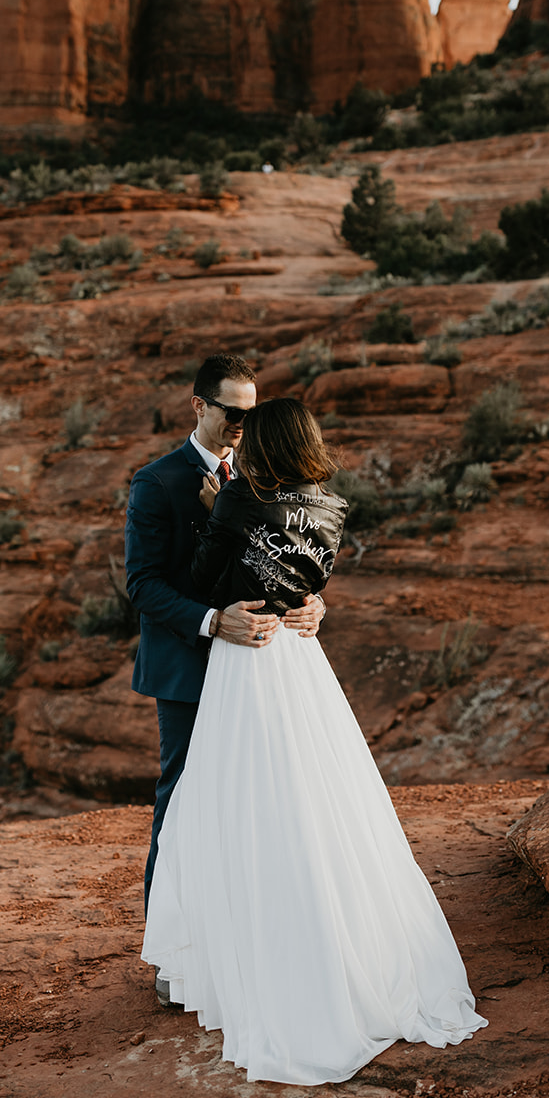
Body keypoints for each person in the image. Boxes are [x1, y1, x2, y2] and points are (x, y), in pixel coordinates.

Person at [141, 397, 487, 1085]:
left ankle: (246, 953)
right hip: (299, 659)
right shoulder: (331, 506)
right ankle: (343, 945)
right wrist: (304, 595)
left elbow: (205, 580)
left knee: (233, 801)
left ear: (265, 443)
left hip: (247, 660)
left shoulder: (238, 503)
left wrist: (219, 512)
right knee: (320, 796)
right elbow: (311, 582)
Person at [124, 354, 325, 984]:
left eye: (252, 413)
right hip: (191, 667)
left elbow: (292, 555)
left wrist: (314, 602)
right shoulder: (157, 483)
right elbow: (144, 585)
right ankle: (175, 959)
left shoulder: (266, 479)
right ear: (199, 407)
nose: (243, 423)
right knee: (184, 804)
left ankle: (251, 946)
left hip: (266, 666)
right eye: (232, 412)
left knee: (264, 802)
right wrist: (214, 620)